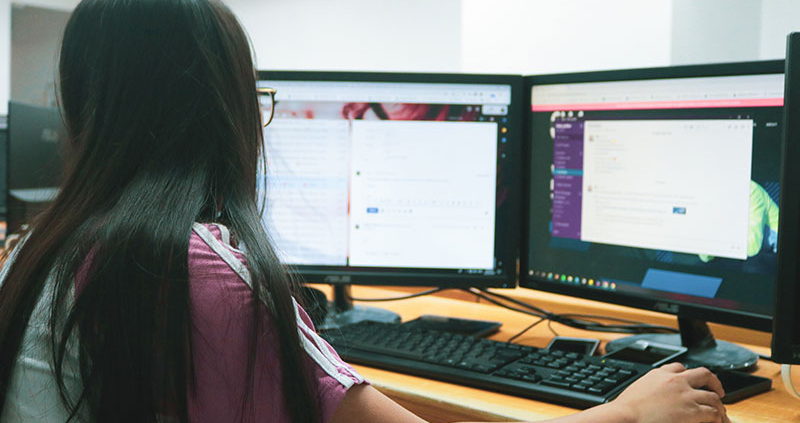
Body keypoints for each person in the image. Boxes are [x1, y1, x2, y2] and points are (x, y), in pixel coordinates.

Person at [0, 0, 730, 422]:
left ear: (81, 109)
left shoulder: (37, 257)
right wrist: (628, 412)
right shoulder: (205, 277)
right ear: (223, 112)